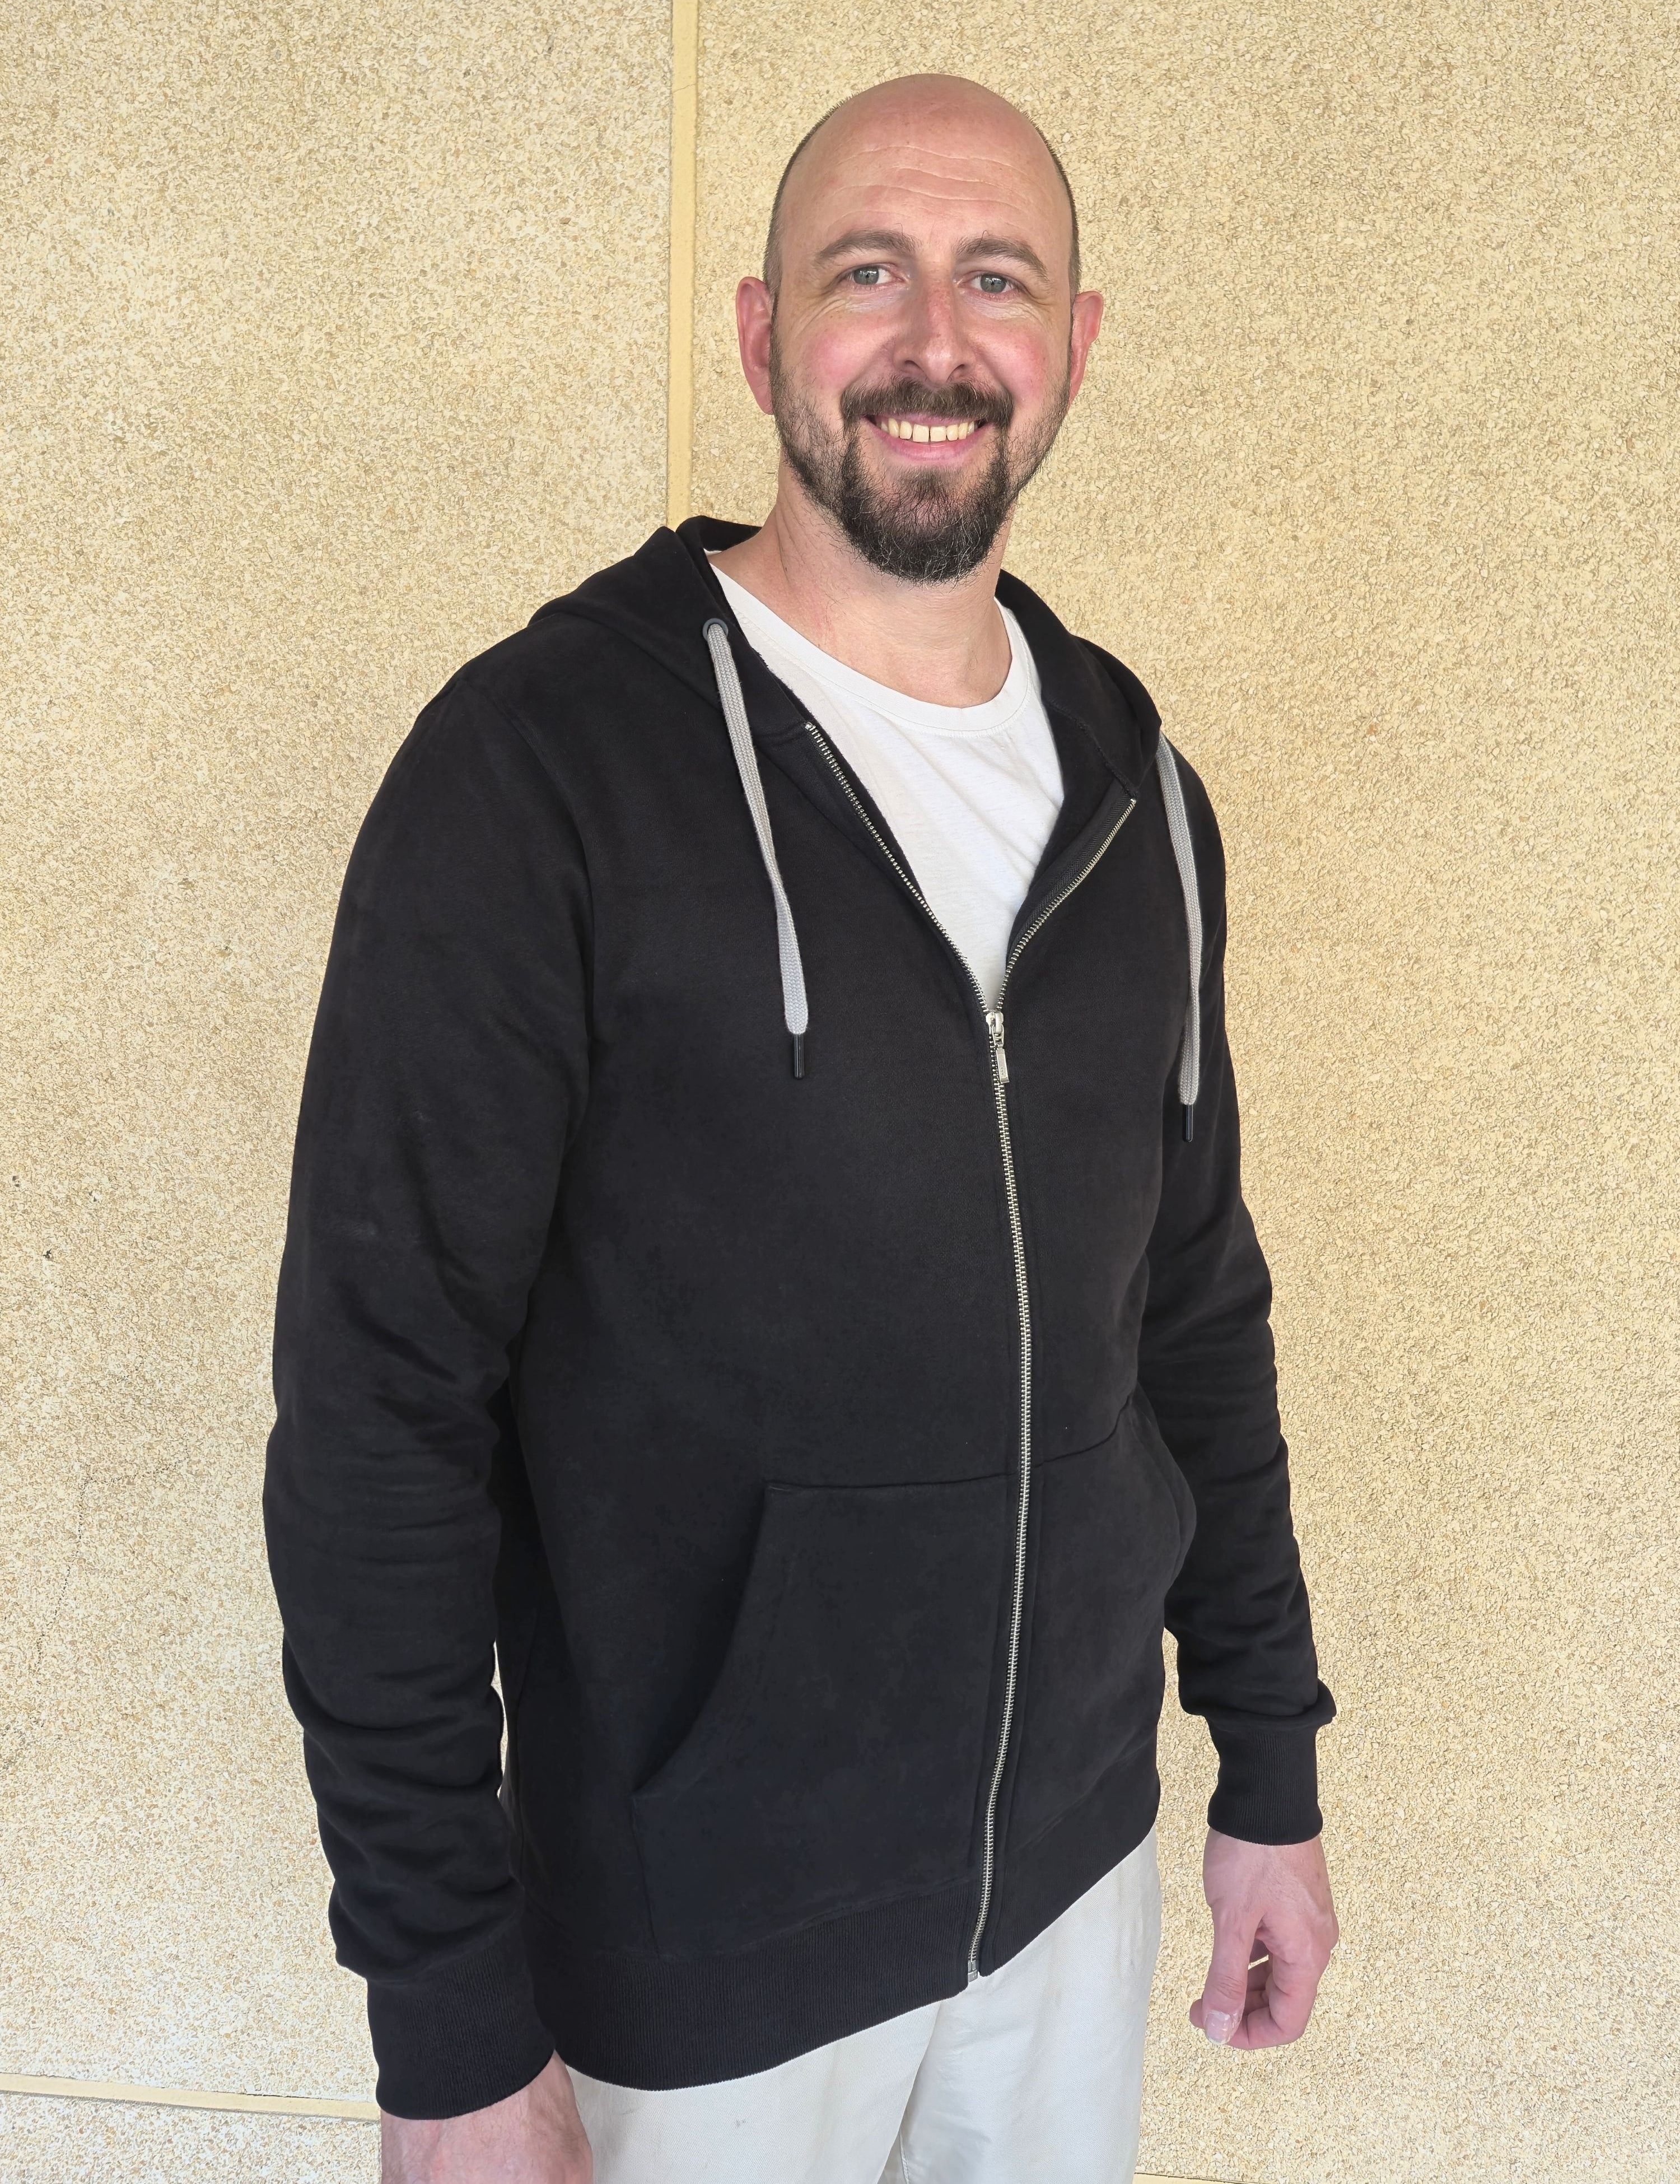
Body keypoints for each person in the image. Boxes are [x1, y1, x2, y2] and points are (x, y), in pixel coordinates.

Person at [264, 71, 1337, 2184]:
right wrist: (449, 2030)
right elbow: (379, 1412)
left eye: (994, 279)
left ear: (1073, 349)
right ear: (764, 339)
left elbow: (1191, 1304)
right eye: (870, 272)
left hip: (1067, 1894)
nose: (935, 338)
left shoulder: (1144, 794)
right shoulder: (542, 769)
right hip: (690, 1969)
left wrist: (1269, 1765)